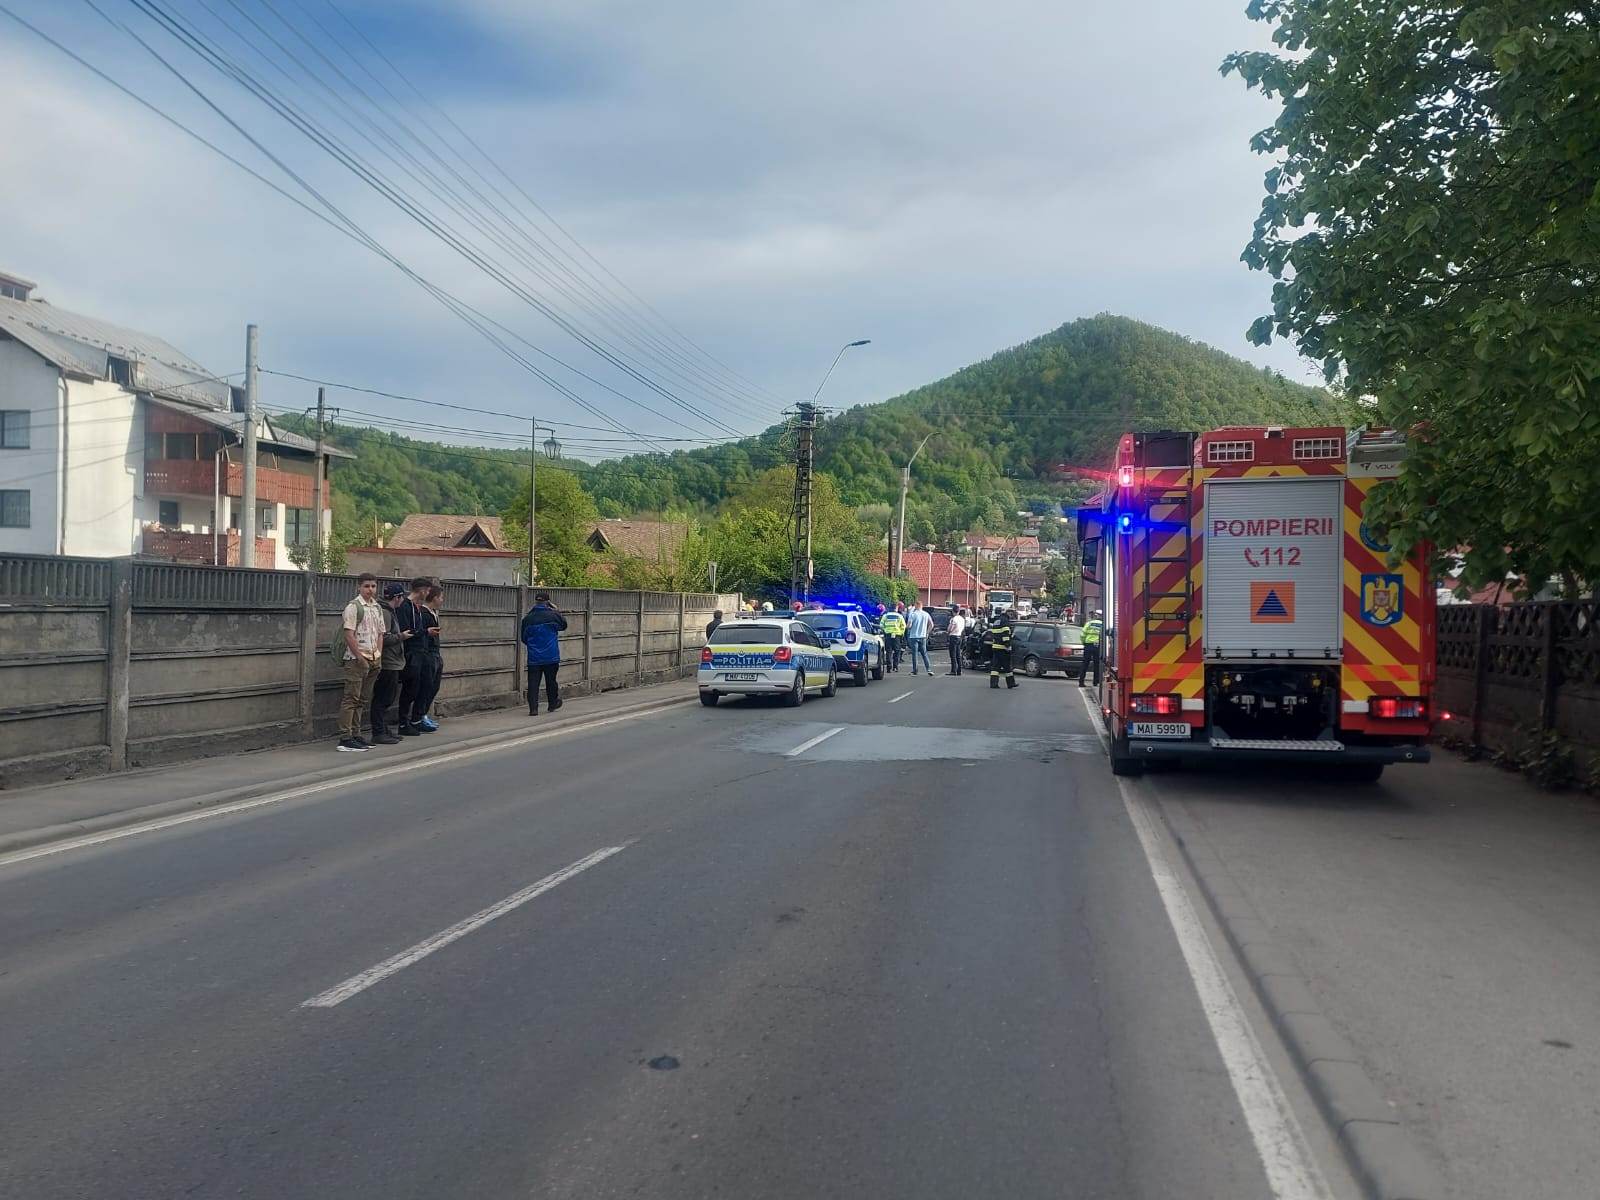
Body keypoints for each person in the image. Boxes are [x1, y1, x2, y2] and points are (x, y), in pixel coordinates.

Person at [337, 573, 386, 751]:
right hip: (356, 659)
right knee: (351, 698)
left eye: (373, 586)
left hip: (373, 658)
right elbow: (349, 635)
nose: (370, 589)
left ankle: (356, 734)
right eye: (366, 586)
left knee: (362, 699)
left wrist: (378, 654)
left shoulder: (377, 607)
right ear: (359, 587)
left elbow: (380, 633)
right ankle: (345, 738)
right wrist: (359, 657)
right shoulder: (353, 607)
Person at [369, 582, 412, 745]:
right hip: (388, 662)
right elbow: (383, 638)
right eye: (402, 597)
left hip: (392, 661)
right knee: (383, 698)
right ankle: (378, 732)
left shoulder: (387, 611)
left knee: (387, 698)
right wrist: (401, 636)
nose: (403, 600)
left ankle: (384, 729)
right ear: (397, 597)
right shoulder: (386, 613)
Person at [394, 576, 434, 736]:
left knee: (421, 686)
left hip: (420, 652)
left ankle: (415, 719)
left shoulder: (416, 608)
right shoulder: (405, 606)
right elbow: (407, 630)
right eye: (427, 591)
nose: (428, 594)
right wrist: (425, 632)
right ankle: (403, 723)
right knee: (409, 688)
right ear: (422, 590)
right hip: (411, 653)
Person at [521, 590, 568, 715]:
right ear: (548, 602)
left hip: (534, 657)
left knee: (533, 683)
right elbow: (564, 625)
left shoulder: (528, 618)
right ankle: (552, 704)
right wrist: (556, 611)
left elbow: (523, 638)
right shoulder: (553, 615)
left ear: (535, 602)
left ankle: (533, 709)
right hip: (551, 656)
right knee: (551, 681)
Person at [415, 583, 445, 732]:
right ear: (434, 598)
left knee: (434, 686)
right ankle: (418, 716)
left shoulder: (433, 613)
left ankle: (424, 714)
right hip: (427, 654)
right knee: (425, 687)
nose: (442, 600)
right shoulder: (424, 613)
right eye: (441, 597)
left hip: (435, 654)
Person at [988, 608, 1018, 689]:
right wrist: (1007, 645)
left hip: (995, 647)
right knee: (1007, 666)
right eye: (1011, 614)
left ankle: (993, 684)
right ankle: (1011, 683)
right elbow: (1005, 635)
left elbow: (994, 633)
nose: (1012, 616)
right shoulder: (1005, 621)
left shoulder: (997, 621)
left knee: (995, 667)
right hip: (1003, 648)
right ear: (1008, 613)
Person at [905, 601, 933, 676]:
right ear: (921, 606)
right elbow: (931, 624)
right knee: (924, 653)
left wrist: (906, 627)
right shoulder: (926, 614)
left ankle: (915, 671)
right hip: (923, 636)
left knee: (914, 654)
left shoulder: (913, 614)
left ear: (916, 605)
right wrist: (927, 633)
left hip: (914, 636)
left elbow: (909, 625)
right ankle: (929, 669)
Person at [1080, 609, 1104, 689]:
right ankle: (1095, 681)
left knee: (1085, 663)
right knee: (1097, 664)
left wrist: (1084, 642)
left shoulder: (1089, 623)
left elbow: (1082, 634)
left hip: (1088, 645)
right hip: (1098, 646)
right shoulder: (1103, 624)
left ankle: (1081, 682)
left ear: (1096, 615)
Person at [879, 605, 906, 672]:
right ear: (896, 609)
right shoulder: (899, 616)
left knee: (888, 651)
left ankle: (889, 668)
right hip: (897, 635)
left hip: (888, 635)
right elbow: (903, 626)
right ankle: (895, 667)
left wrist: (885, 630)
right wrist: (901, 633)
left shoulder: (885, 616)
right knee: (897, 651)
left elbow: (881, 625)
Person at [946, 606, 967, 675]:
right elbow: (963, 628)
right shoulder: (962, 619)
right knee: (958, 654)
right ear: (958, 611)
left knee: (953, 655)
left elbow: (950, 628)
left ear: (953, 611)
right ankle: (959, 670)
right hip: (959, 636)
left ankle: (953, 670)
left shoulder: (953, 619)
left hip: (953, 636)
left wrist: (948, 631)